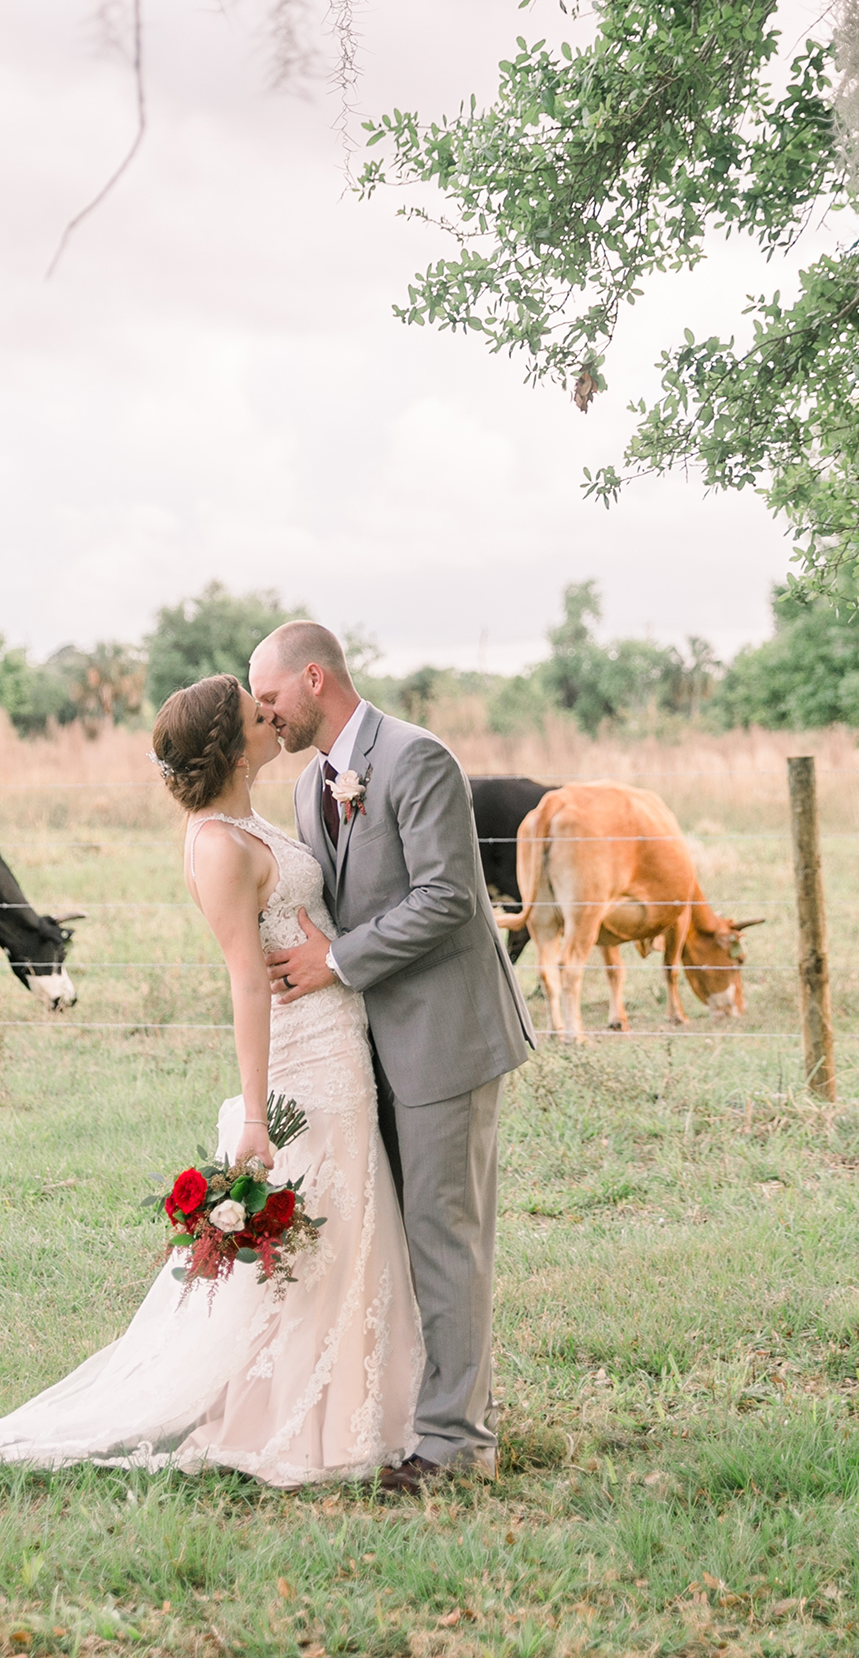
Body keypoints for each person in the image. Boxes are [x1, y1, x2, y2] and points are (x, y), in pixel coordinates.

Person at [0, 673, 423, 1488]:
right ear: (232, 746)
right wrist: (252, 1111)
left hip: (338, 1037)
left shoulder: (249, 822)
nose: (270, 716)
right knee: (315, 1235)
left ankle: (353, 1404)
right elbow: (246, 981)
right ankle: (296, 1422)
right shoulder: (216, 844)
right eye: (255, 714)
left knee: (345, 1230)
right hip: (302, 1058)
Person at [249, 622, 535, 1491]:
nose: (266, 717)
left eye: (270, 699)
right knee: (397, 1241)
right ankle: (418, 1414)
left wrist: (333, 961)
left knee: (445, 1237)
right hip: (365, 1050)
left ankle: (457, 1446)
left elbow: (449, 898)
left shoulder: (418, 759)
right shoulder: (308, 788)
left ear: (313, 678)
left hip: (445, 1036)